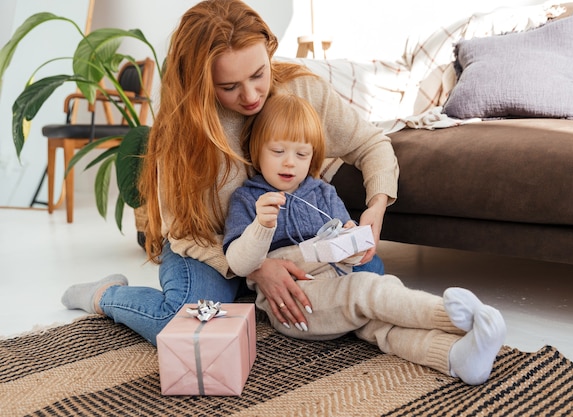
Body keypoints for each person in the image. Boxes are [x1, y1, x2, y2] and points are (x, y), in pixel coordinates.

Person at [61, 0, 398, 347]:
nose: (251, 95)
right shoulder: (180, 131)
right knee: (182, 325)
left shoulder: (304, 91)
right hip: (210, 249)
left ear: (269, 50)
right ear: (201, 81)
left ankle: (248, 299)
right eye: (229, 86)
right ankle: (105, 295)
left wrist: (377, 206)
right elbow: (181, 232)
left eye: (258, 74)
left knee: (370, 279)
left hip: (295, 248)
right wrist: (255, 267)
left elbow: (372, 144)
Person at [223, 94, 506, 385]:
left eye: (301, 154)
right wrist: (261, 225)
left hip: (337, 285)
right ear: (257, 150)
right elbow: (239, 262)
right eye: (278, 150)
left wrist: (355, 243)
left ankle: (456, 357)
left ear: (313, 155)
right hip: (295, 303)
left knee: (380, 325)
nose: (289, 163)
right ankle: (453, 319)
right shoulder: (248, 199)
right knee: (368, 291)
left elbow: (351, 253)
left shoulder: (322, 192)